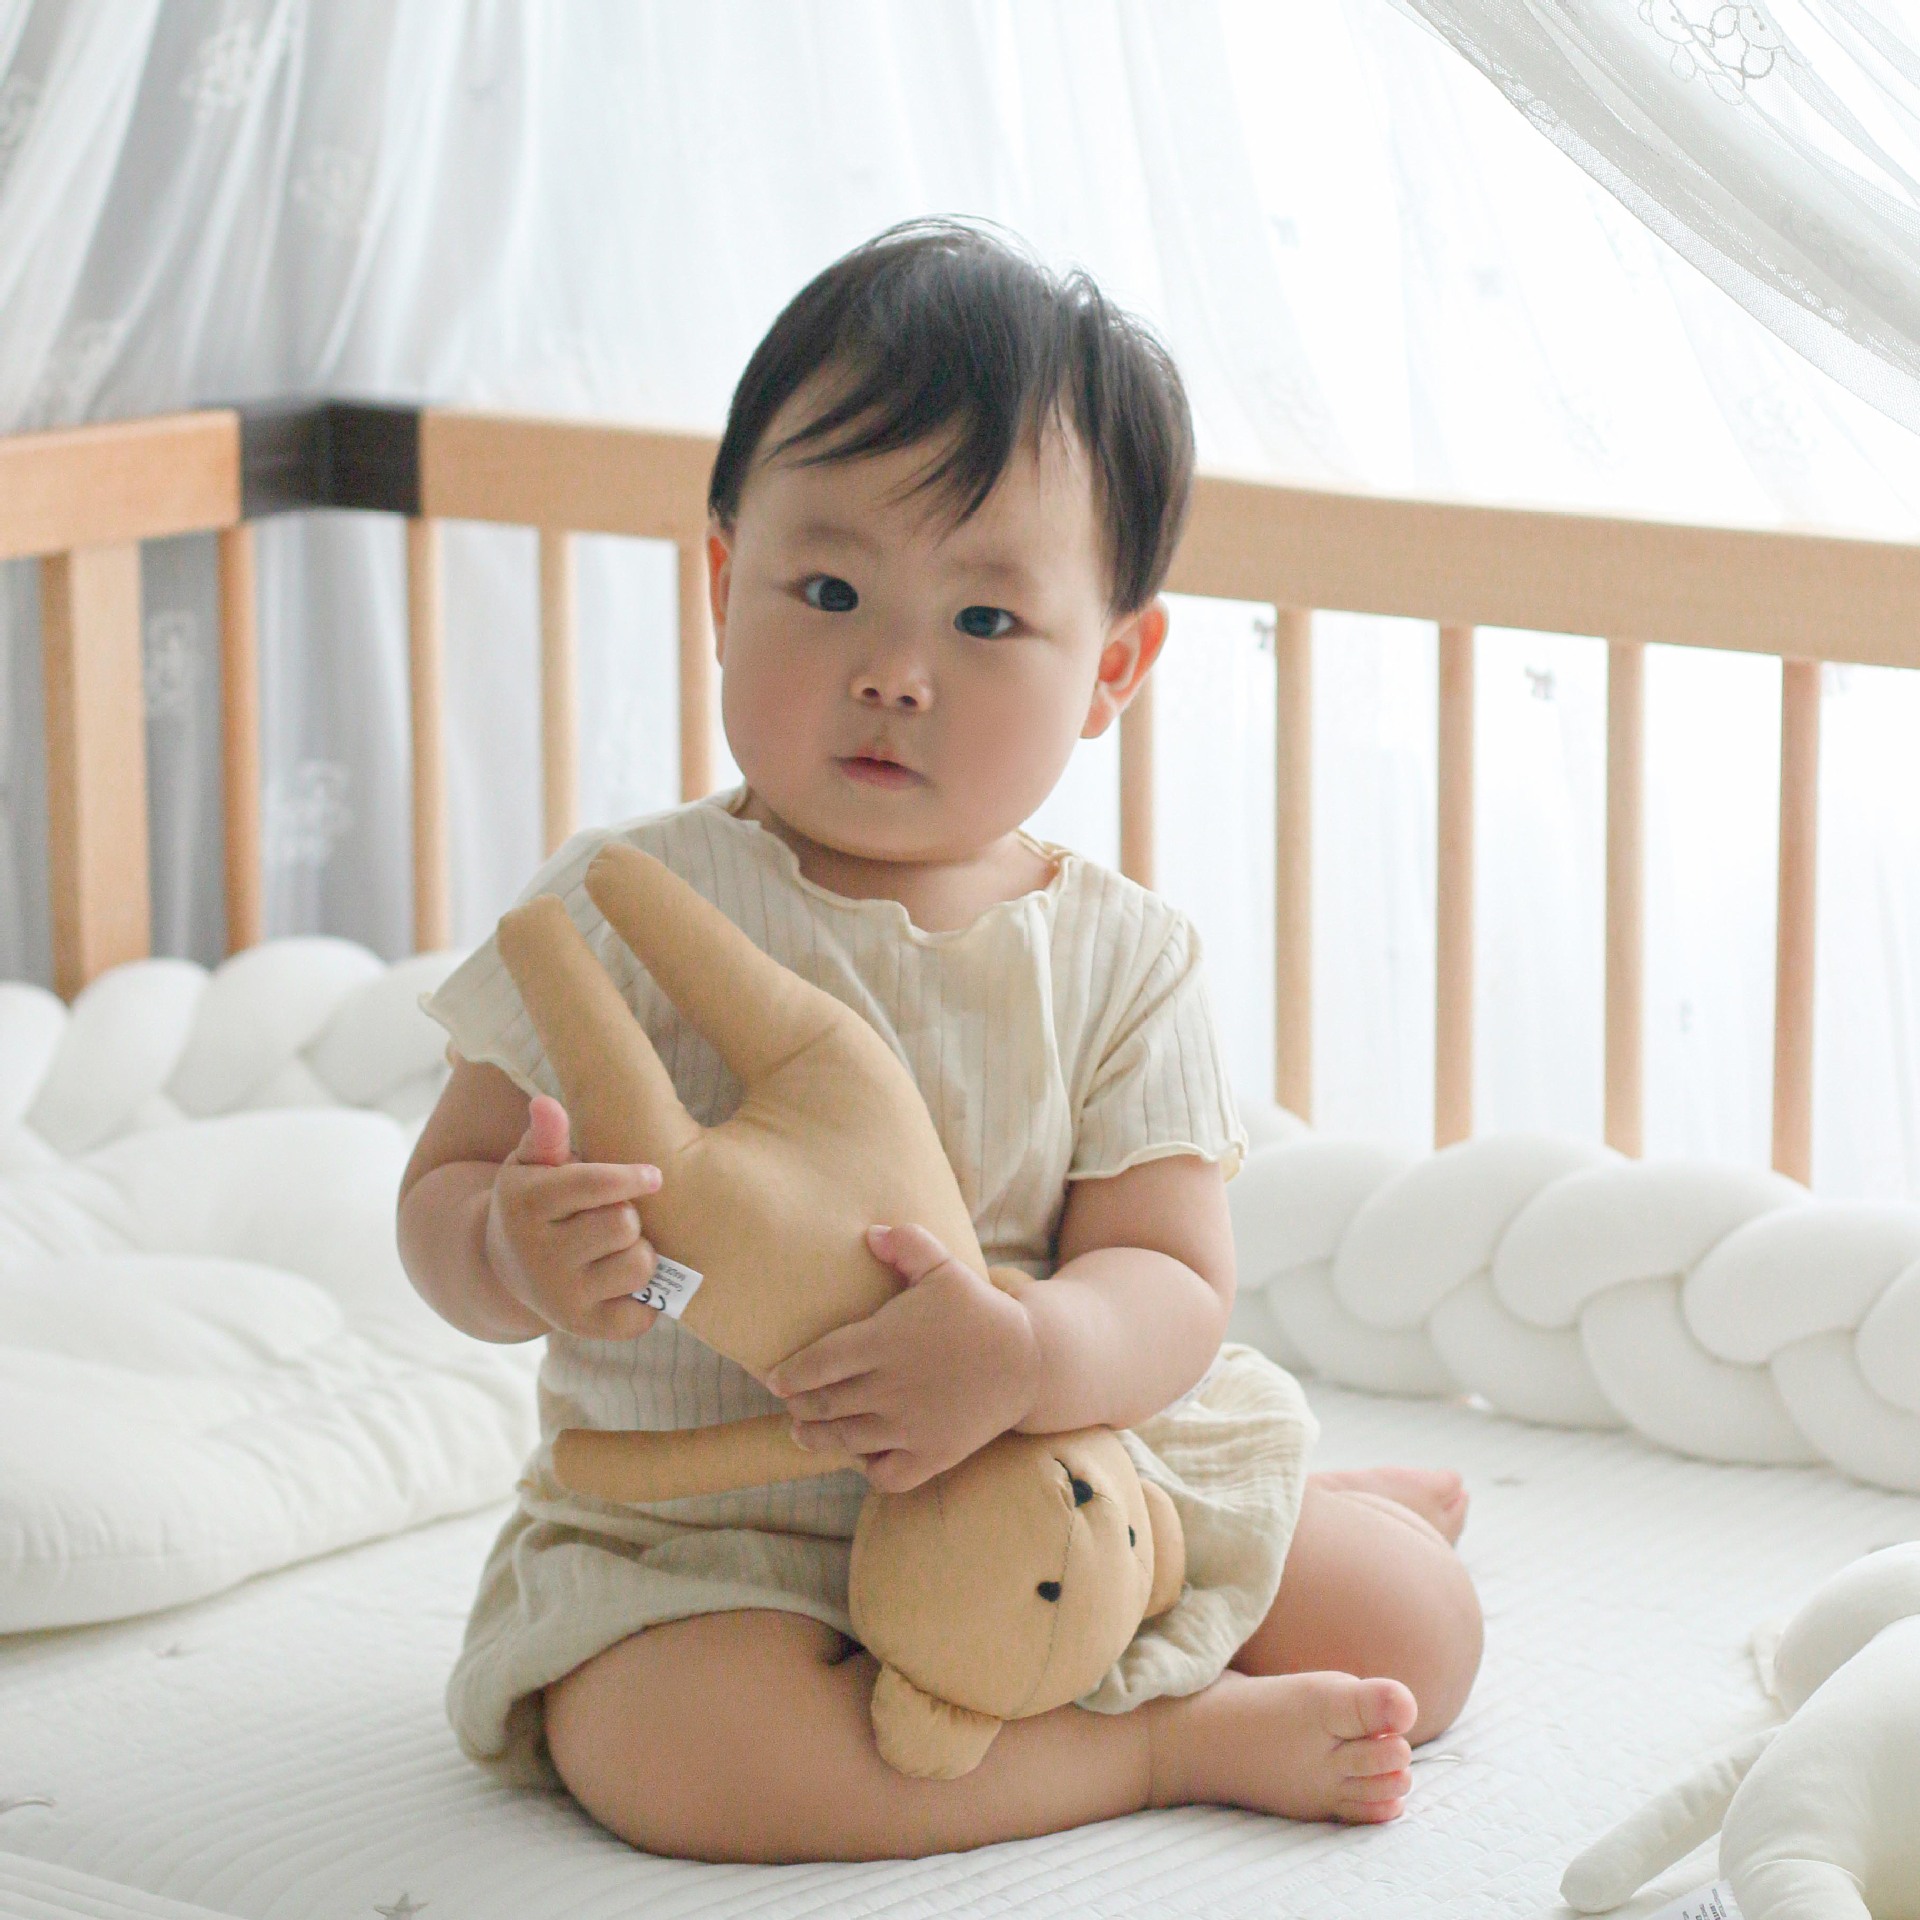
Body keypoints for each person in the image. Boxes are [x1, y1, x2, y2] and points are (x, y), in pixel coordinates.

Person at [396, 218, 1482, 1864]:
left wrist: (1031, 1355)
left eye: (984, 623)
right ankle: (1158, 1745)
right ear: (722, 586)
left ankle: (1308, 1518)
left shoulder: (1117, 956)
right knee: (680, 1760)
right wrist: (507, 1249)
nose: (893, 673)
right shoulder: (618, 909)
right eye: (830, 592)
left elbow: (1169, 1278)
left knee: (1421, 1636)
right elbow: (444, 1197)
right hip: (719, 1537)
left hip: (1057, 1486)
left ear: (1112, 666)